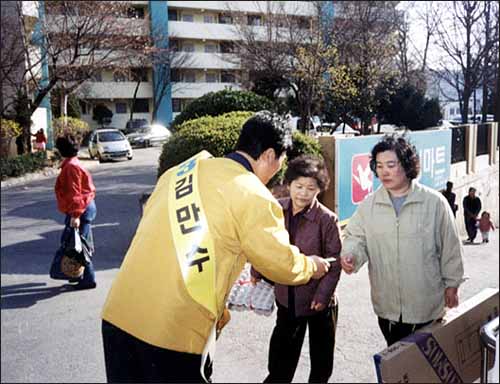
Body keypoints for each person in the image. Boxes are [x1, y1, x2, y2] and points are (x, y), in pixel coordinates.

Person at [100, 111, 331, 383]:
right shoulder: (253, 195)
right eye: (280, 160)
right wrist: (311, 266)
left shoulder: (181, 171)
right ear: (270, 154)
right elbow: (280, 263)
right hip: (171, 332)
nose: (278, 169)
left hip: (118, 316)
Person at [340, 134, 464, 347]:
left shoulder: (434, 203)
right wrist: (350, 255)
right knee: (398, 366)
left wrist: (453, 284)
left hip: (426, 307)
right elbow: (355, 237)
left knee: (425, 369)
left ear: (406, 165)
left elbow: (450, 247)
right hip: (387, 308)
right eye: (379, 166)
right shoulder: (369, 205)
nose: (384, 172)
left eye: (391, 164)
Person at [251, 155, 342, 383]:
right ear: (289, 184)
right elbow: (264, 247)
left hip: (319, 302)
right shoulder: (276, 210)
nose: (303, 193)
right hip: (286, 298)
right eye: (299, 186)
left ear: (319, 190)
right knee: (281, 358)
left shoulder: (327, 220)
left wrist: (323, 295)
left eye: (310, 188)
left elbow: (335, 261)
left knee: (321, 360)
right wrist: (256, 271)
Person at [54, 134, 97, 290]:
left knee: (79, 247)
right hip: (84, 207)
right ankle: (77, 275)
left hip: (80, 209)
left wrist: (75, 215)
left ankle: (88, 279)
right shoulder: (73, 163)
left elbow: (75, 193)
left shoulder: (71, 167)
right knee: (77, 244)